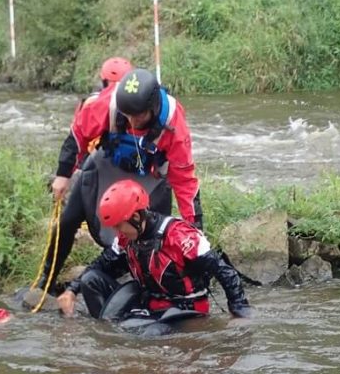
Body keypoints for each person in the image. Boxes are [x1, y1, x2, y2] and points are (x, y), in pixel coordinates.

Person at [56, 179, 251, 335]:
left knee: (149, 334)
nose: (116, 231)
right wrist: (72, 290)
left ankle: (123, 335)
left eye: (118, 225)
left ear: (136, 216)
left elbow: (224, 271)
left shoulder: (180, 236)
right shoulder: (127, 238)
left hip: (185, 309)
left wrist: (240, 313)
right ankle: (107, 331)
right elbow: (100, 266)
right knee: (91, 280)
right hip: (149, 303)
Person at [34, 56, 134, 292]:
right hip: (102, 168)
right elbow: (77, 137)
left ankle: (52, 279)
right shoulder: (100, 104)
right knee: (70, 221)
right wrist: (64, 174)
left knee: (74, 222)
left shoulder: (96, 102)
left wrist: (64, 174)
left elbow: (74, 139)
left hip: (118, 172)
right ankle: (47, 280)